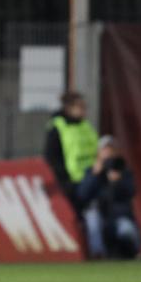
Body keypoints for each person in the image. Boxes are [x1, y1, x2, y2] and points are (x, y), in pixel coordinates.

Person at [44, 91, 99, 253]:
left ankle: (99, 249)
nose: (84, 111)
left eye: (84, 107)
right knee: (88, 213)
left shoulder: (86, 126)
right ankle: (94, 250)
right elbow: (52, 158)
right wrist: (64, 181)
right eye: (80, 107)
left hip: (92, 178)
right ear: (68, 108)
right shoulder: (57, 127)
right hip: (71, 182)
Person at [77, 136, 141, 259]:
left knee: (128, 230)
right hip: (100, 217)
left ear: (116, 153)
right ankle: (98, 255)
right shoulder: (92, 171)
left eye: (110, 150)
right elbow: (82, 195)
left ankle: (133, 253)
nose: (107, 153)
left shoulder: (123, 171)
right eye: (104, 150)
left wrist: (117, 181)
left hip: (119, 217)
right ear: (98, 153)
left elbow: (131, 191)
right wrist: (94, 175)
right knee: (92, 217)